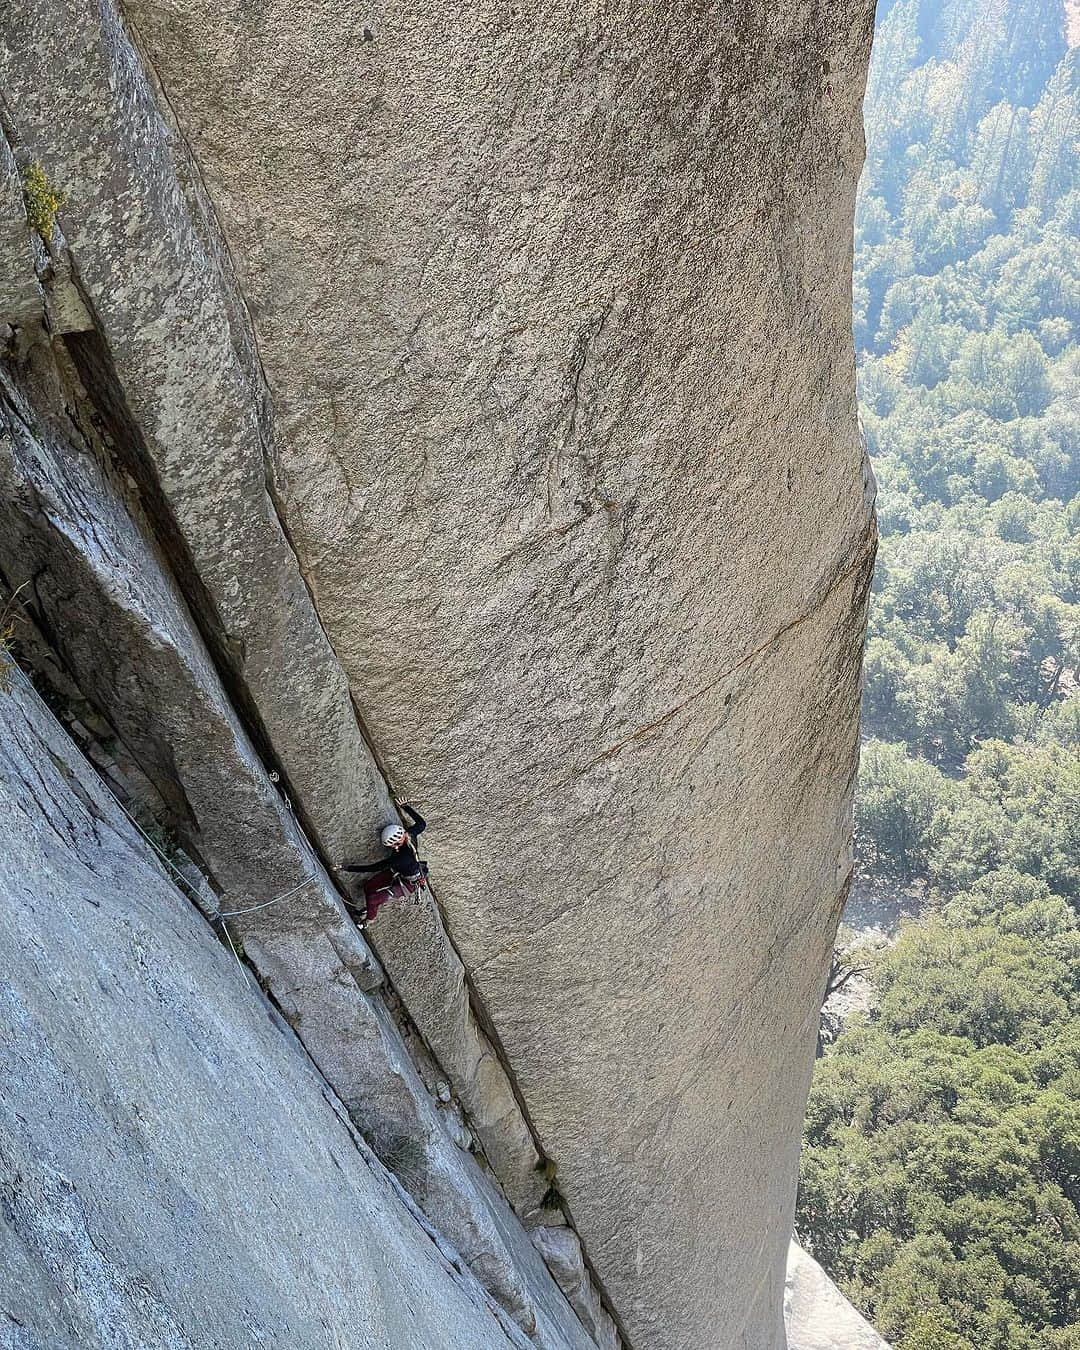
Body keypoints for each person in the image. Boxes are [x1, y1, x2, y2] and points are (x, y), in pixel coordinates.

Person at [341, 798, 428, 927]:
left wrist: (347, 868)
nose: (392, 848)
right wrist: (405, 806)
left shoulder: (401, 857)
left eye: (392, 845)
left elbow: (373, 868)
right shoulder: (409, 835)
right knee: (369, 887)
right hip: (399, 872)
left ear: (397, 842)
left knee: (373, 899)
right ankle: (368, 909)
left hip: (407, 884)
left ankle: (368, 920)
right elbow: (422, 824)